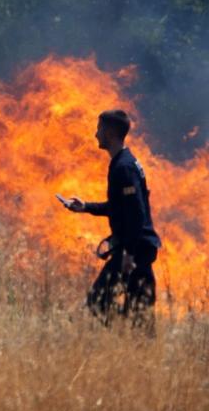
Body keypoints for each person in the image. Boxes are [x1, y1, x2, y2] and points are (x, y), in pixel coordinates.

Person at [61, 109, 161, 327]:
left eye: (99, 129)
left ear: (111, 132)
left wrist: (128, 254)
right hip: (136, 249)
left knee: (98, 302)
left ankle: (123, 337)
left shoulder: (124, 167)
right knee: (139, 317)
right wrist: (85, 207)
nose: (96, 135)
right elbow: (120, 208)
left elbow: (136, 214)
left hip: (135, 252)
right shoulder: (122, 163)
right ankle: (128, 339)